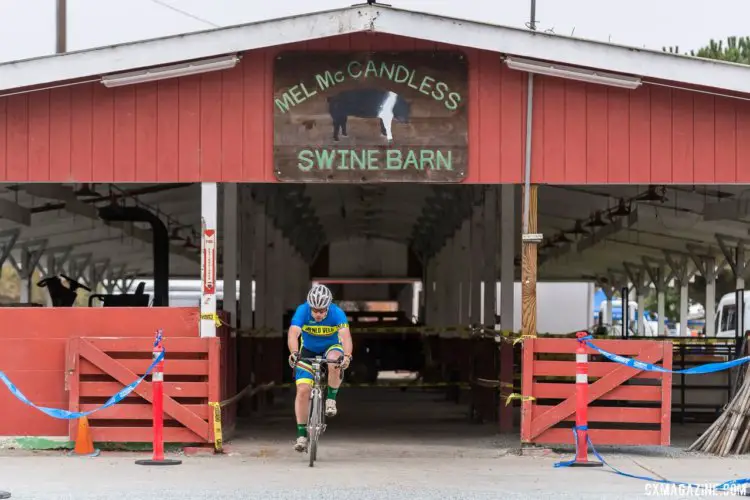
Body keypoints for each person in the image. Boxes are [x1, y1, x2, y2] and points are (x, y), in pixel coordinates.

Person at [287, 283, 353, 452]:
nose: (318, 314)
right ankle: (301, 435)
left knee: (334, 361)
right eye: (314, 310)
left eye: (322, 310)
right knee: (302, 390)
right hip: (308, 350)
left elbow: (345, 337)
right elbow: (293, 333)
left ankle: (331, 398)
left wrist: (346, 356)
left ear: (328, 307)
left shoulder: (337, 313)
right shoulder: (302, 311)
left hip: (331, 347)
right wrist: (294, 352)